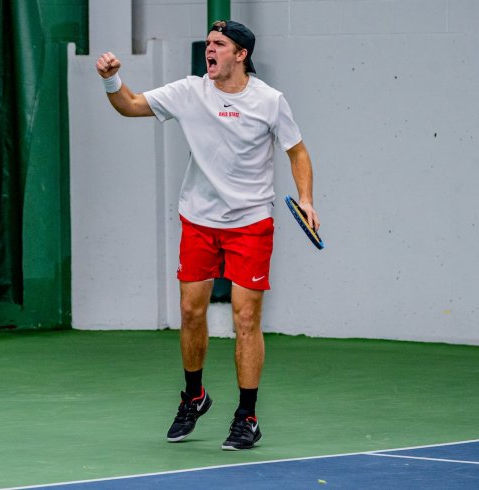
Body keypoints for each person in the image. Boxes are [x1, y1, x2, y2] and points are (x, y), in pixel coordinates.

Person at [95, 20, 320, 450]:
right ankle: (194, 396)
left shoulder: (270, 101)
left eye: (220, 45)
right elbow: (130, 105)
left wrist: (306, 199)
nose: (210, 51)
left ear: (241, 55)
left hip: (251, 220)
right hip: (199, 219)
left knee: (246, 318)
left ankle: (247, 416)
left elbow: (297, 150)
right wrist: (112, 80)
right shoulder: (189, 91)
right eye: (208, 44)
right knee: (191, 310)